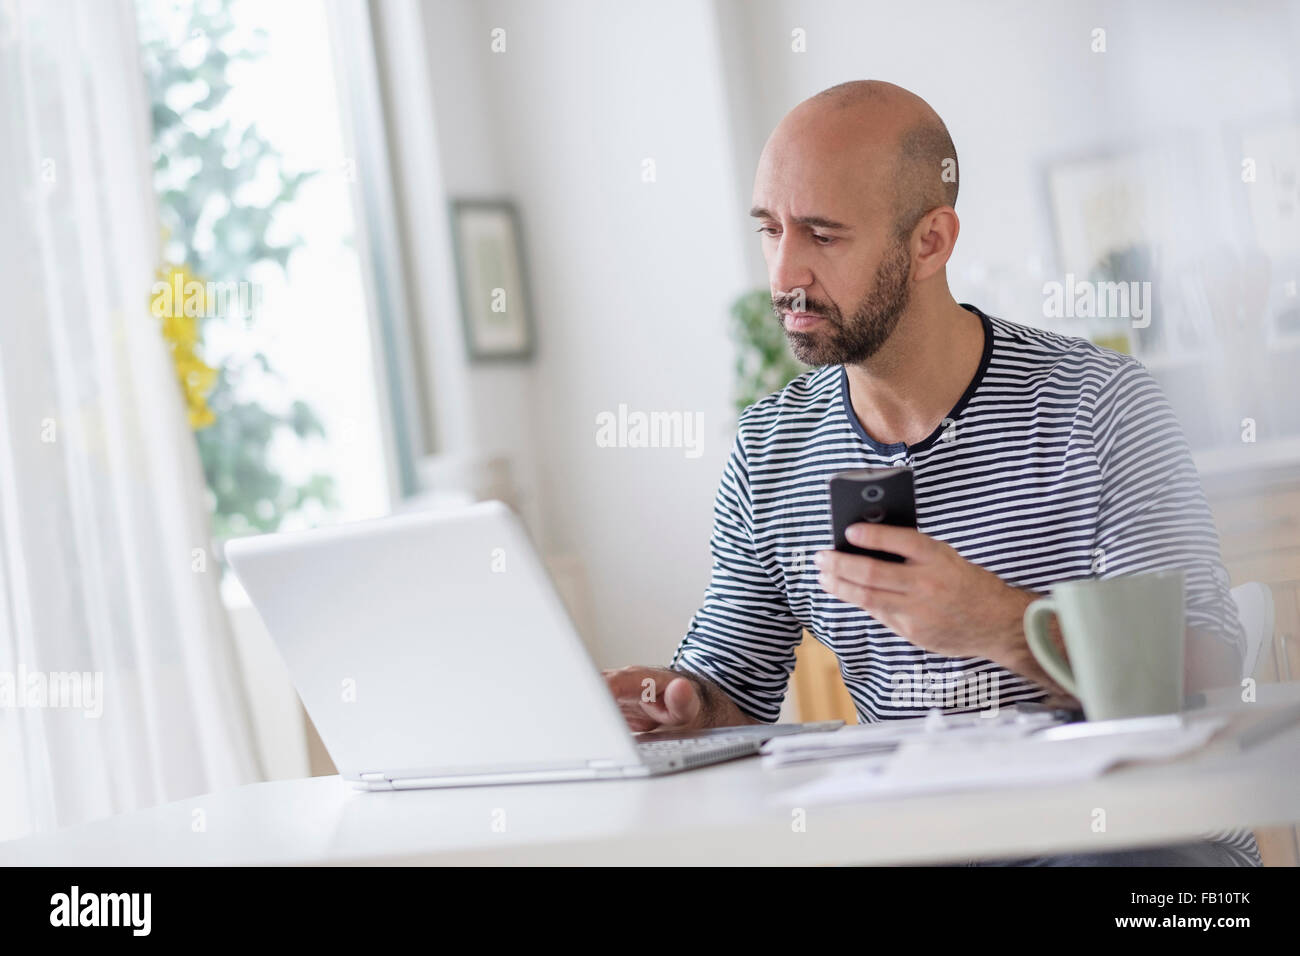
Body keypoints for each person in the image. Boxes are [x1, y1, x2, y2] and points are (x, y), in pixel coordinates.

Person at [603, 80, 1259, 866]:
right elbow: (731, 683)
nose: (786, 275)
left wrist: (1006, 627)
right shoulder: (774, 447)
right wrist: (679, 706)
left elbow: (1206, 672)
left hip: (1140, 847)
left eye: (823, 235)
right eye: (771, 230)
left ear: (930, 242)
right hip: (930, 844)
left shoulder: (1101, 406)